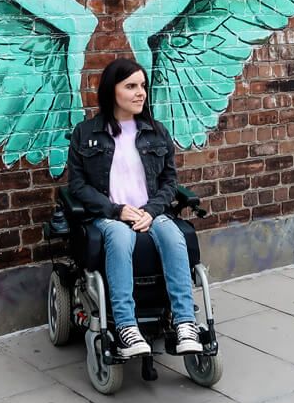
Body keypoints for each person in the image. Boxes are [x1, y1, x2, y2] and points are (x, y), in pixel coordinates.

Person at [66, 57, 203, 359]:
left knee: (173, 237)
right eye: (131, 86)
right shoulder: (86, 133)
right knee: (120, 237)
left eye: (142, 86)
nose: (140, 92)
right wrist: (116, 211)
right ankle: (127, 327)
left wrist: (152, 211)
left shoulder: (156, 132)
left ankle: (185, 324)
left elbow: (169, 181)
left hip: (151, 211)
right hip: (109, 216)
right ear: (111, 91)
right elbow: (77, 185)